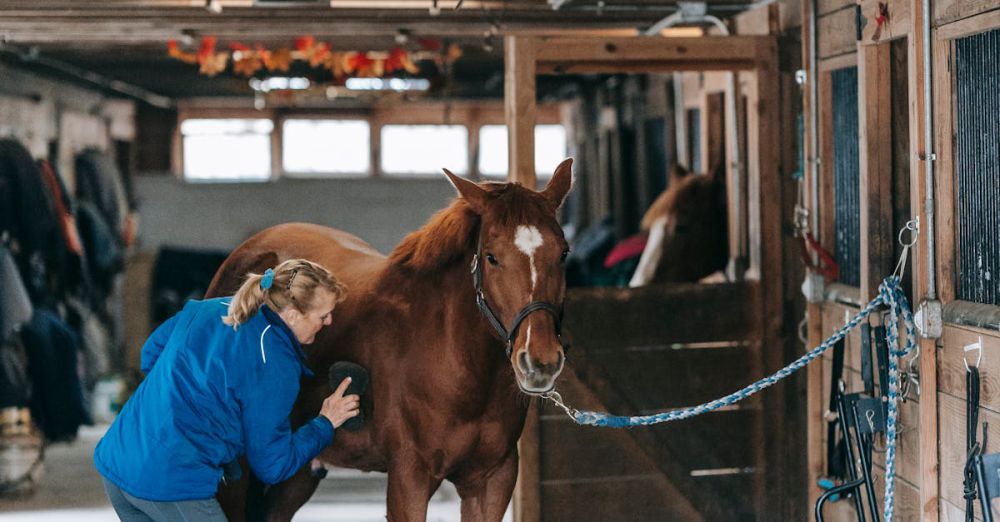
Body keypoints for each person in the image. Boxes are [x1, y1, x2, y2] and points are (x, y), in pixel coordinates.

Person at [94, 258, 358, 521]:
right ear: (291, 315)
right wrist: (325, 423)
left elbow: (151, 354)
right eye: (323, 316)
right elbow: (272, 466)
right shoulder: (276, 364)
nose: (329, 322)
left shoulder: (210, 308)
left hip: (118, 460)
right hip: (169, 484)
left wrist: (183, 404)